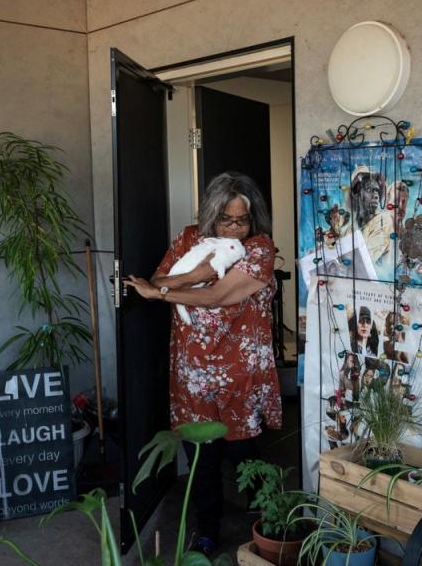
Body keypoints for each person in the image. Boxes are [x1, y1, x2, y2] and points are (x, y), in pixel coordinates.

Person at [123, 171, 280, 556]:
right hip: (193, 368)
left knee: (244, 452)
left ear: (254, 217)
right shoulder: (190, 236)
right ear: (211, 214)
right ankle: (207, 530)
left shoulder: (260, 248)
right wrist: (188, 276)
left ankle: (270, 526)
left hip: (241, 368)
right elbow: (162, 275)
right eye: (226, 219)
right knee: (201, 457)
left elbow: (218, 296)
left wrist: (166, 292)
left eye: (242, 219)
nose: (234, 227)